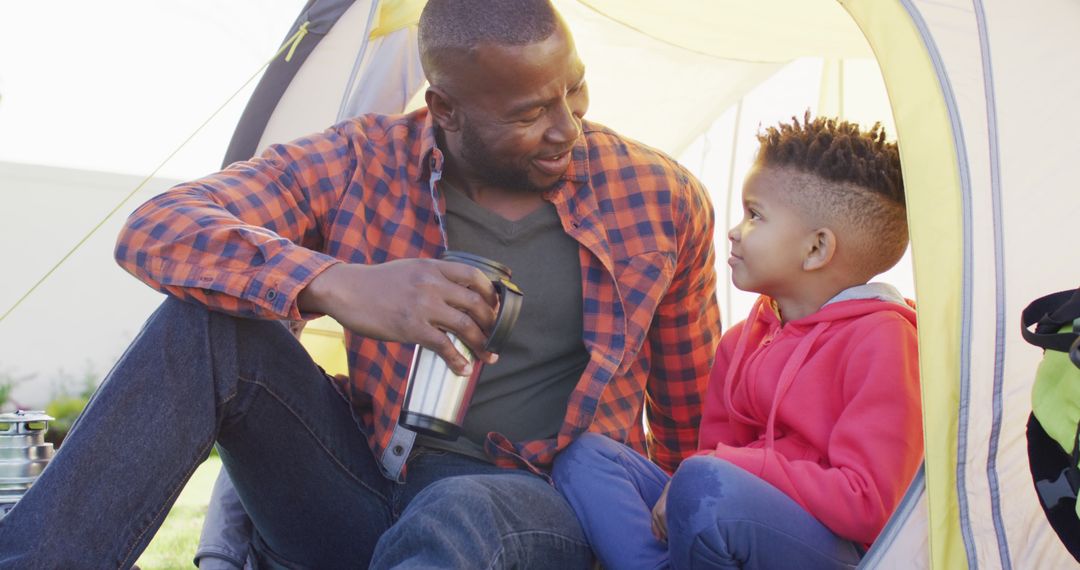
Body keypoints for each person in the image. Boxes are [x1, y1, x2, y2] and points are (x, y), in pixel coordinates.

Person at [0, 0, 720, 568]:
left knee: (462, 510)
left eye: (574, 90)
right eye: (530, 114)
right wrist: (336, 283)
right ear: (445, 111)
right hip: (367, 484)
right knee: (205, 327)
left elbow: (694, 422)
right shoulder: (363, 162)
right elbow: (157, 227)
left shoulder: (660, 199)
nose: (567, 127)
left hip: (540, 508)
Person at [552, 114, 923, 569]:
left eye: (755, 215)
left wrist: (733, 469)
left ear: (816, 249)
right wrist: (713, 471)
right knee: (586, 458)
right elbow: (712, 454)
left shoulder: (885, 339)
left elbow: (870, 504)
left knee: (707, 487)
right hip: (731, 522)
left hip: (839, 553)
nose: (733, 230)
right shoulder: (741, 342)